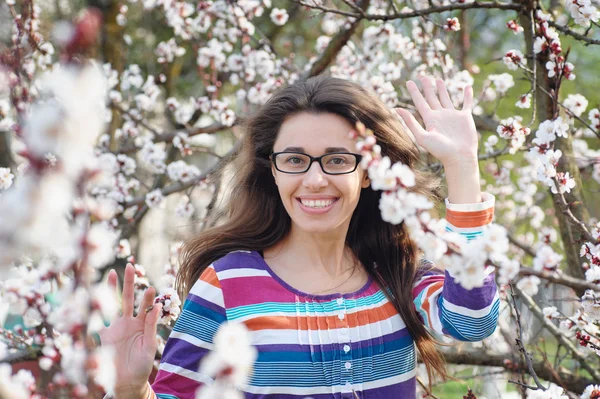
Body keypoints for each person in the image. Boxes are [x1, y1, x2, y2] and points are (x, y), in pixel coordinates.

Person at [99, 75, 499, 399]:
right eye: (294, 160)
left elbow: (472, 320)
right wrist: (131, 390)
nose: (315, 180)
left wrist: (463, 166)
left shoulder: (396, 271)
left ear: (366, 170)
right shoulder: (227, 283)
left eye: (337, 159)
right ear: (272, 170)